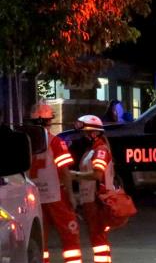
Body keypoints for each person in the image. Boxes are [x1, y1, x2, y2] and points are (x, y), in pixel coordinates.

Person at [29, 103, 82, 263]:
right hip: (56, 195)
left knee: (40, 238)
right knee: (69, 235)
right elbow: (65, 171)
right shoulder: (55, 142)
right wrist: (71, 195)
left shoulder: (27, 143)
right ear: (49, 121)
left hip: (35, 197)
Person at [70, 115, 114, 263]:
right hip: (91, 200)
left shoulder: (100, 151)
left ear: (94, 133)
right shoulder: (93, 150)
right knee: (97, 237)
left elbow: (97, 175)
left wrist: (74, 175)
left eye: (85, 133)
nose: (83, 137)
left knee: (98, 237)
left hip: (97, 200)